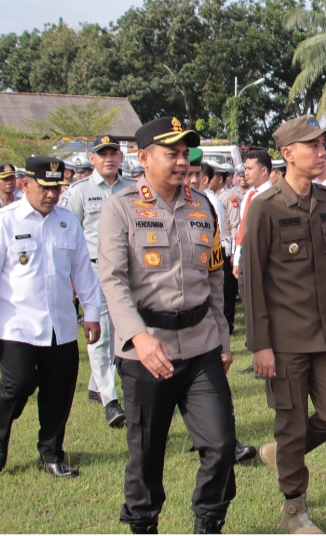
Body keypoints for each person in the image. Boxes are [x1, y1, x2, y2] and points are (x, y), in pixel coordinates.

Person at [98, 117, 238, 535]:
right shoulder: (120, 207)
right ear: (143, 158)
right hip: (146, 352)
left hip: (201, 348)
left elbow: (216, 279)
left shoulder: (202, 206)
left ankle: (207, 525)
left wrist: (223, 338)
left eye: (185, 154)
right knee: (146, 453)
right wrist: (138, 337)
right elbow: (113, 279)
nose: (182, 162)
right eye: (172, 153)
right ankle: (143, 525)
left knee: (221, 445)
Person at [240, 114, 326, 535]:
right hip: (284, 340)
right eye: (313, 146)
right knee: (291, 422)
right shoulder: (265, 207)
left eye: (324, 145)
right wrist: (260, 345)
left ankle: (283, 454)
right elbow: (252, 281)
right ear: (288, 154)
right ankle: (295, 512)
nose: (322, 153)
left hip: (325, 333)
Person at [0, 156, 102, 477]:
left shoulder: (67, 222)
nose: (52, 194)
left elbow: (83, 272)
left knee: (59, 390)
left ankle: (51, 453)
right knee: (18, 383)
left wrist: (92, 313)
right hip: (15, 325)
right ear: (24, 183)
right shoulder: (2, 222)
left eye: (57, 187)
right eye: (45, 187)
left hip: (60, 325)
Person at [62, 134, 131, 428]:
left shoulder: (134, 188)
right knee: (100, 335)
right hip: (94, 271)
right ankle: (111, 400)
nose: (109, 158)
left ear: (121, 157)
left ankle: (97, 384)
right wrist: (72, 279)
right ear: (92, 159)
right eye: (102, 154)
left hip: (129, 271)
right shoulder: (80, 192)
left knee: (124, 331)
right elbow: (68, 235)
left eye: (113, 153)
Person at [212, 163, 243, 338]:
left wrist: (233, 253)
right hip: (217, 247)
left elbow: (235, 225)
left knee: (228, 289)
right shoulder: (215, 196)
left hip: (226, 248)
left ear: (220, 179)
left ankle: (228, 323)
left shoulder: (230, 197)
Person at [232, 150, 272, 279]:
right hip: (245, 257)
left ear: (263, 171)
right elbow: (242, 228)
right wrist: (238, 258)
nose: (246, 173)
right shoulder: (249, 195)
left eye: (250, 168)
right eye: (245, 169)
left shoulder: (274, 197)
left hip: (263, 259)